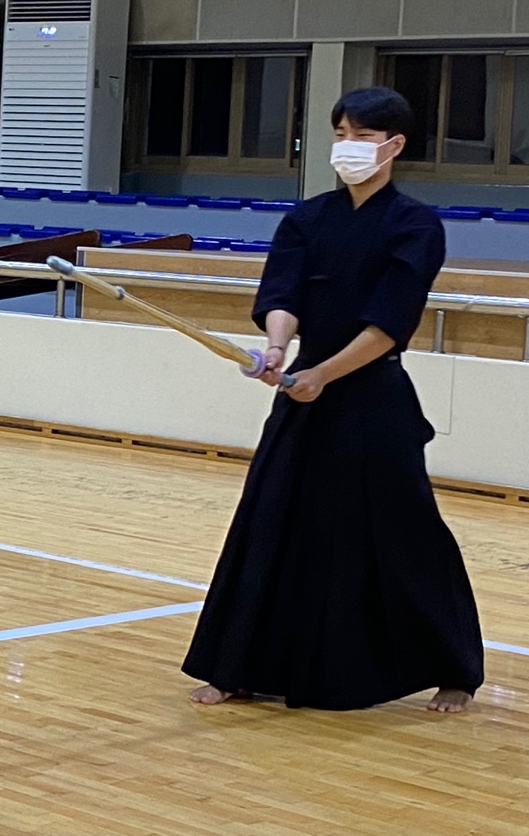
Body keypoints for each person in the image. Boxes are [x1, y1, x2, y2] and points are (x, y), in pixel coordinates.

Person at [182, 86, 484, 713]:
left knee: (404, 531)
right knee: (271, 521)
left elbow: (389, 322)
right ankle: (240, 666)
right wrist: (277, 351)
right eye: (341, 133)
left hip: (374, 397)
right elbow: (283, 294)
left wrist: (324, 373)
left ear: (393, 146)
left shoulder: (415, 225)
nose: (348, 146)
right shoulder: (307, 218)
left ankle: (452, 667)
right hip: (303, 396)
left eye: (362, 136)